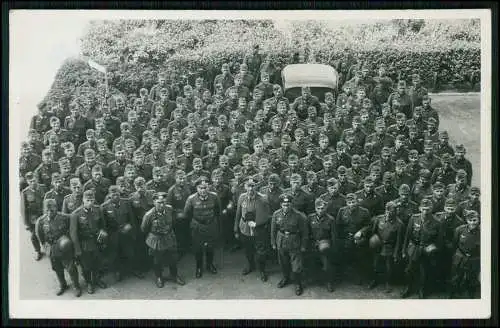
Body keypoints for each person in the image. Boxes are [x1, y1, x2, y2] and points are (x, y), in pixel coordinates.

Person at [35, 199, 82, 297]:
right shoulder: (41, 221)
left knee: (71, 268)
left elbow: (73, 227)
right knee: (57, 268)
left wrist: (71, 242)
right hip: (52, 248)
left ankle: (76, 286)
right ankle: (63, 285)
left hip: (64, 247)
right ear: (44, 209)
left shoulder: (64, 217)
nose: (49, 212)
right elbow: (39, 236)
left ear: (56, 208)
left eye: (52, 210)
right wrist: (46, 247)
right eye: (47, 210)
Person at [141, 192, 185, 288]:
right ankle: (159, 277)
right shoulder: (149, 215)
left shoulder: (169, 209)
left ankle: (174, 275)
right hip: (156, 239)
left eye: (164, 202)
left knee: (173, 258)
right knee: (157, 260)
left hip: (169, 237)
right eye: (159, 202)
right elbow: (144, 228)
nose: (162, 205)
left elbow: (173, 221)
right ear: (154, 202)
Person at [401, 198, 443, 299]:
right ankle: (408, 288)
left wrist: (433, 247)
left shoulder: (437, 222)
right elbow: (407, 236)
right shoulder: (414, 218)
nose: (425, 211)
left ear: (431, 209)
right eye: (423, 209)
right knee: (409, 270)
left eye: (428, 209)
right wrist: (404, 250)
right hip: (414, 248)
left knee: (424, 272)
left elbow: (439, 241)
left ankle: (422, 289)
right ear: (420, 208)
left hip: (426, 250)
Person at [69, 190, 108, 294]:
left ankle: (96, 280)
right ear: (83, 200)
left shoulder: (97, 209)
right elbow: (74, 234)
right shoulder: (76, 214)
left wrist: (103, 234)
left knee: (97, 263)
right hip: (84, 244)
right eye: (88, 200)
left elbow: (102, 225)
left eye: (92, 200)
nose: (90, 202)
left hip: (97, 242)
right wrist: (77, 250)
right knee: (86, 266)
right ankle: (89, 283)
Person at [234, 176, 272, 282]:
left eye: (253, 186)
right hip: (244, 228)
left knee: (261, 252)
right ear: (245, 186)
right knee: (248, 250)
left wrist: (258, 223)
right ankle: (250, 265)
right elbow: (238, 213)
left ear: (257, 186)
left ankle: (262, 270)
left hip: (258, 229)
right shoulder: (241, 197)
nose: (251, 189)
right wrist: (235, 228)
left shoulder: (263, 198)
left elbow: (268, 215)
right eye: (248, 186)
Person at [271, 194, 309, 296]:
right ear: (280, 205)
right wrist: (273, 243)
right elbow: (273, 230)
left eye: (288, 204)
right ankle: (285, 278)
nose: (286, 207)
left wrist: (303, 246)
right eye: (284, 204)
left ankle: (298, 284)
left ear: (291, 204)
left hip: (294, 241)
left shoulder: (299, 216)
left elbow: (304, 232)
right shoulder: (276, 214)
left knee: (296, 266)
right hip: (281, 240)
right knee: (283, 263)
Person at [183, 176, 221, 278]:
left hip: (211, 225)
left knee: (210, 247)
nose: (203, 190)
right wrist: (196, 222)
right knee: (198, 249)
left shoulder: (214, 196)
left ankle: (210, 264)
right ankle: (199, 267)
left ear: (209, 187)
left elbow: (218, 210)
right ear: (197, 188)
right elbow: (187, 214)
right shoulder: (191, 199)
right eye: (200, 188)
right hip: (197, 226)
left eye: (205, 187)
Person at [101, 185, 139, 282]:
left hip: (126, 232)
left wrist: (132, 231)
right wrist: (108, 238)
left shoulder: (126, 202)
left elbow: (132, 219)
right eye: (113, 195)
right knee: (115, 254)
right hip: (114, 234)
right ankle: (117, 271)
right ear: (109, 195)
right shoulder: (104, 207)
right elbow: (104, 225)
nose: (115, 197)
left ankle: (133, 269)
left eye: (117, 194)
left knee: (130, 252)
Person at [333, 193, 372, 285]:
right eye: (349, 202)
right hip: (345, 237)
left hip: (359, 237)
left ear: (357, 202)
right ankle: (341, 275)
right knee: (339, 252)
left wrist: (361, 232)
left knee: (359, 254)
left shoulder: (364, 211)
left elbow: (369, 225)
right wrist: (343, 237)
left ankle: (358, 275)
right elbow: (338, 226)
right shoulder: (342, 211)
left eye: (353, 202)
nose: (352, 204)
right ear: (346, 203)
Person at [368, 201, 404, 292]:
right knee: (375, 264)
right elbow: (373, 232)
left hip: (389, 247)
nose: (388, 213)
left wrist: (396, 253)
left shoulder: (399, 224)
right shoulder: (379, 219)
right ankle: (374, 280)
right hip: (378, 245)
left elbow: (399, 241)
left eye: (391, 212)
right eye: (387, 211)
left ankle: (388, 283)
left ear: (395, 212)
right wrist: (373, 242)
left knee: (389, 267)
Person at [449, 210, 480, 298]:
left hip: (475, 258)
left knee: (472, 278)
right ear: (466, 220)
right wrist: (455, 256)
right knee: (456, 277)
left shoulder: (483, 231)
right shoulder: (459, 230)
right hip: (460, 256)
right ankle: (453, 294)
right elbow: (454, 244)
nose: (473, 223)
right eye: (470, 220)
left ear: (478, 220)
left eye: (475, 220)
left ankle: (471, 295)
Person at [307, 198, 336, 292]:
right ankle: (316, 279)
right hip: (313, 243)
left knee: (327, 265)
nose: (320, 210)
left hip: (325, 244)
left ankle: (329, 282)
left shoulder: (330, 219)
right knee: (312, 262)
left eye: (322, 208)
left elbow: (334, 236)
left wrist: (332, 247)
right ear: (315, 208)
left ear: (325, 208)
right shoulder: (310, 218)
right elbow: (307, 233)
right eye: (318, 208)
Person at [21, 172, 47, 261]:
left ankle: (50, 250)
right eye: (30, 181)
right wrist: (27, 223)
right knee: (34, 236)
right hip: (33, 218)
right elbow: (24, 209)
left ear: (36, 179)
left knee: (48, 233)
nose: (33, 183)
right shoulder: (25, 192)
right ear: (27, 182)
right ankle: (38, 251)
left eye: (34, 180)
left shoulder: (43, 187)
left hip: (44, 215)